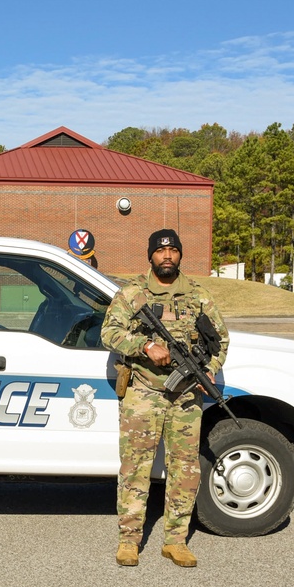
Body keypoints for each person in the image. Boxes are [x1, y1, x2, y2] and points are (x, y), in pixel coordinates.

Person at [100, 228, 229, 568]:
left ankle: (175, 541)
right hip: (143, 391)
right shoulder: (133, 294)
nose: (167, 255)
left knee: (185, 470)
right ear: (151, 256)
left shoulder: (198, 296)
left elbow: (221, 341)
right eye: (160, 251)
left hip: (186, 396)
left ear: (180, 254)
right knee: (135, 468)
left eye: (173, 250)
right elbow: (109, 332)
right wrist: (144, 346)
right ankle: (129, 540)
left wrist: (210, 367)